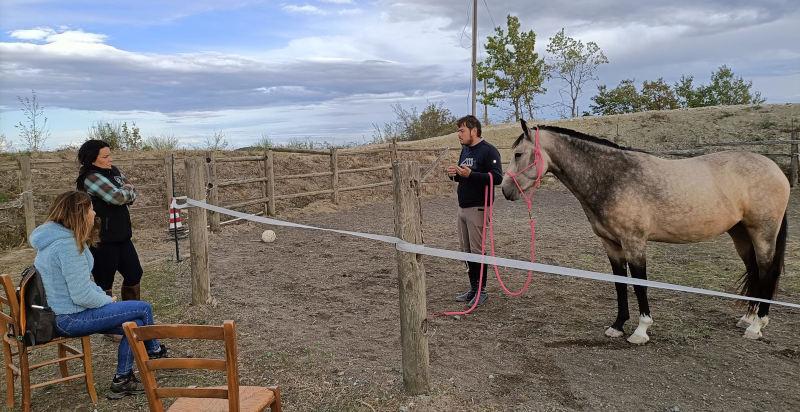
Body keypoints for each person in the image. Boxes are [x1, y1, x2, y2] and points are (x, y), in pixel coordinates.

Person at [30, 191, 168, 399]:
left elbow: (83, 284)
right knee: (142, 308)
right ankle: (156, 355)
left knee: (136, 323)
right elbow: (81, 295)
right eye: (91, 209)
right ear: (80, 214)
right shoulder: (67, 246)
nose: (95, 213)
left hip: (60, 313)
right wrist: (106, 299)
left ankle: (122, 379)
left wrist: (102, 296)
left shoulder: (54, 240)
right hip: (69, 317)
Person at [75, 140, 143, 301]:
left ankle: (130, 312)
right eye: (105, 156)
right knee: (104, 282)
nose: (110, 159)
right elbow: (117, 197)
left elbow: (132, 193)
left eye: (109, 155)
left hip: (122, 236)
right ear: (92, 159)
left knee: (134, 273)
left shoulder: (113, 171)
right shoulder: (90, 177)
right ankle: (108, 319)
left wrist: (127, 191)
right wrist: (127, 191)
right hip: (102, 239)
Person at [446, 115, 503, 307]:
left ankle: (482, 291)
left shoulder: (489, 151)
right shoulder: (465, 151)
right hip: (463, 206)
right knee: (466, 251)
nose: (459, 134)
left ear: (474, 130)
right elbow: (465, 177)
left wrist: (471, 174)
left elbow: (497, 178)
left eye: (462, 130)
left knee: (477, 251)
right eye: (458, 131)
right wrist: (454, 175)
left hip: (479, 207)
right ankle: (473, 288)